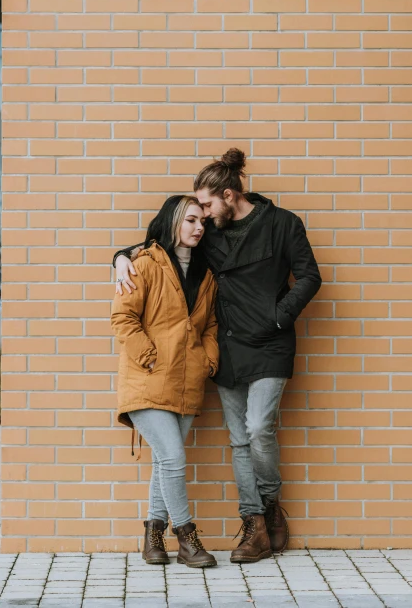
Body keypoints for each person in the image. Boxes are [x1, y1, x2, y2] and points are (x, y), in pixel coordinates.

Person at [114, 149, 322, 563]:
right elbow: (160, 241)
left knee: (260, 428)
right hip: (227, 349)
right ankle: (254, 525)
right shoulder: (209, 234)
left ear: (229, 194)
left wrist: (279, 317)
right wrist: (120, 257)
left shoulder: (283, 224)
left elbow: (310, 276)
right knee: (238, 440)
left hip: (270, 342)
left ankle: (269, 504)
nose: (203, 217)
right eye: (197, 212)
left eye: (206, 206)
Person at [111, 195, 219, 568]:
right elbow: (123, 318)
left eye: (202, 222)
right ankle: (187, 538)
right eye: (190, 220)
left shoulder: (205, 275)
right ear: (173, 222)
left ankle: (152, 537)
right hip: (148, 381)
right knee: (173, 457)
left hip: (187, 381)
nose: (198, 227)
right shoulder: (144, 265)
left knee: (164, 462)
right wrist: (149, 357)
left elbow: (210, 327)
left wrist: (208, 359)